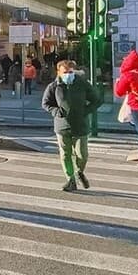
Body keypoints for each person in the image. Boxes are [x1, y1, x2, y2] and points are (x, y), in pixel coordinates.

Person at [42, 60, 100, 191]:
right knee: (65, 154)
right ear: (59, 73)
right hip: (62, 126)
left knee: (82, 154)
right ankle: (70, 180)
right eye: (65, 72)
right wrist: (56, 111)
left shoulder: (82, 84)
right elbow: (46, 103)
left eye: (70, 72)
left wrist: (86, 111)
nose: (68, 74)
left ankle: (79, 172)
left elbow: (97, 100)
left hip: (80, 125)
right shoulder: (54, 86)